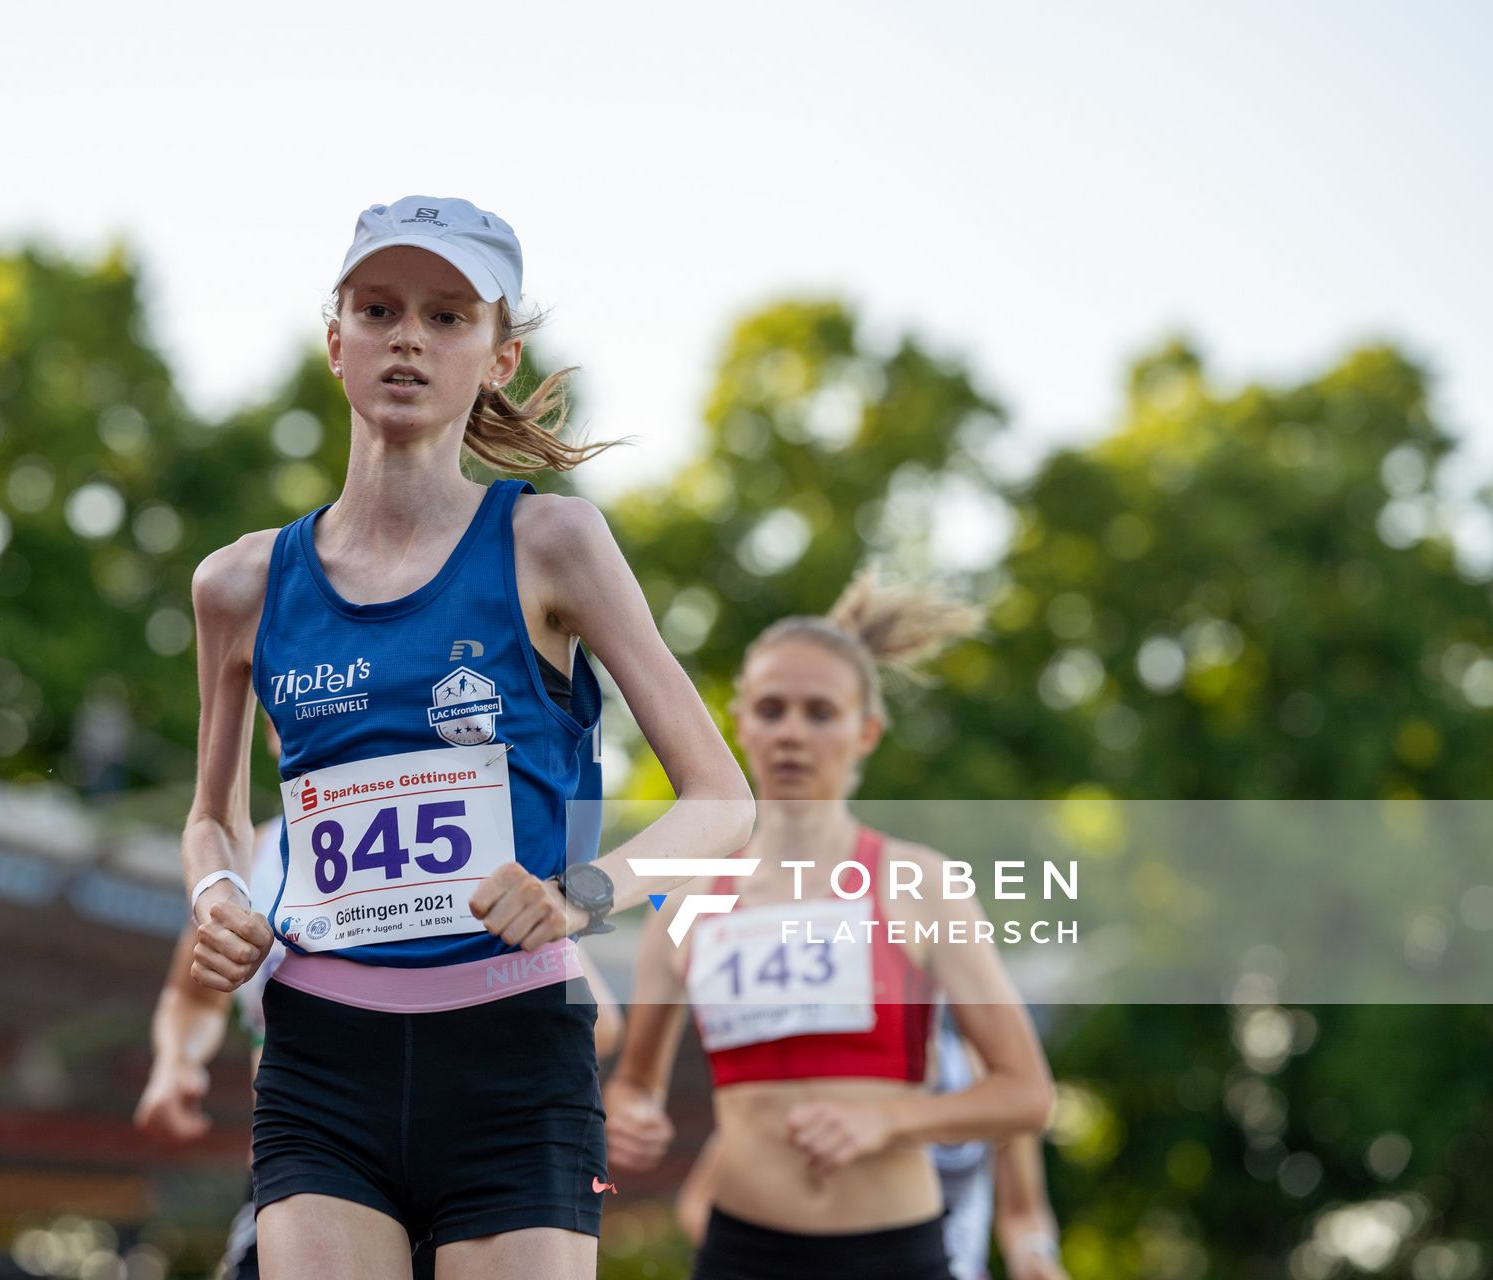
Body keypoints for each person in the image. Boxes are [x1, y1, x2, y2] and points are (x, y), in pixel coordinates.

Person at [177, 196, 755, 1280]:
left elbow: (724, 801)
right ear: (334, 339)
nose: (408, 336)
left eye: (448, 316)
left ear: (499, 354)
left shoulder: (554, 541)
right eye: (379, 308)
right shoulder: (239, 583)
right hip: (321, 1062)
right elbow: (211, 819)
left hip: (514, 1055)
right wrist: (217, 899)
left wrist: (579, 893)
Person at [603, 575, 1054, 1280]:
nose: (791, 733)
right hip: (740, 1255)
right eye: (773, 710)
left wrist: (888, 1121)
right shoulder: (686, 903)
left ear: (864, 732)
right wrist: (631, 1113)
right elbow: (635, 1085)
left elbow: (1026, 1093)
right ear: (740, 720)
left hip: (895, 1251)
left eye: (820, 713)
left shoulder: (919, 885)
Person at [136, 709, 631, 1278]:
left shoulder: (464, 840)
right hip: (313, 1168)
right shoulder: (246, 861)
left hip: (476, 1173)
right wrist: (177, 1062)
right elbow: (193, 997)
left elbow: (602, 1018)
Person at [671, 1010, 1068, 1280]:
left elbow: (1023, 1212)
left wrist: (1034, 1256)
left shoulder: (988, 1081)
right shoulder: (816, 1076)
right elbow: (698, 1203)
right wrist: (778, 1259)